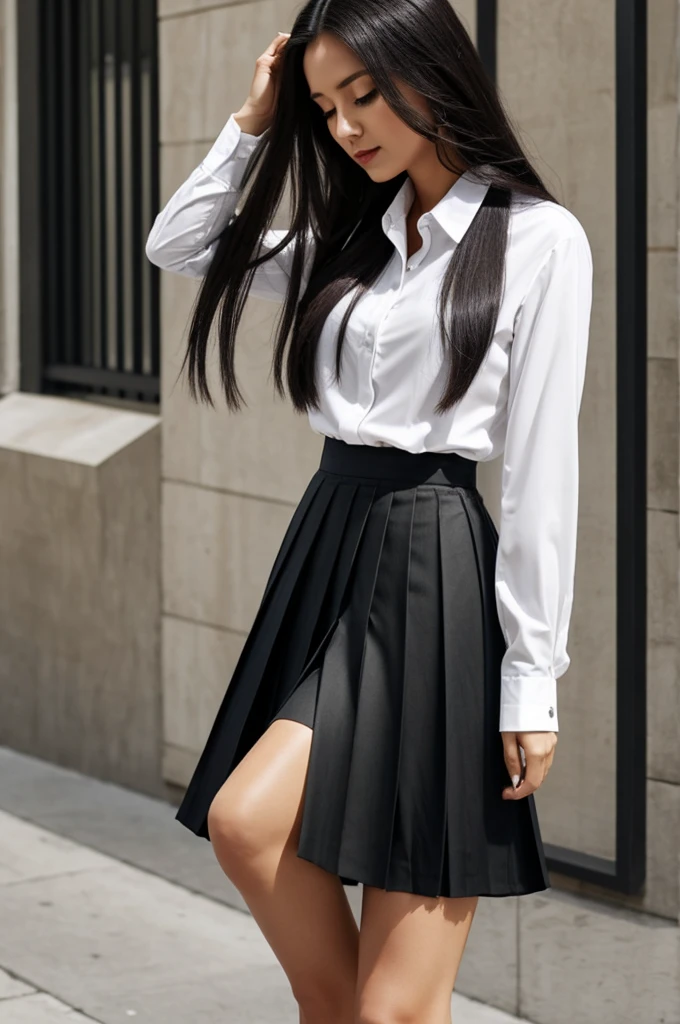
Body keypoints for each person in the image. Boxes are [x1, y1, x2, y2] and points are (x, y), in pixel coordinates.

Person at [145, 1, 593, 1020]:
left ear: (429, 71)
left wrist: (531, 679)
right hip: (330, 540)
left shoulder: (536, 241)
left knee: (394, 1005)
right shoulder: (351, 235)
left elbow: (538, 470)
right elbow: (178, 244)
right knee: (247, 826)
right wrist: (255, 119)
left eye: (363, 93)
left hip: (432, 557)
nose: (346, 125)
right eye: (325, 104)